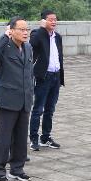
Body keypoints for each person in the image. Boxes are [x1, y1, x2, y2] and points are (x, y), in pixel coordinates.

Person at [0, 17, 35, 181]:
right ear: (11, 30)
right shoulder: (4, 47)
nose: (25, 32)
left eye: (27, 29)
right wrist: (4, 37)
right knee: (4, 137)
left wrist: (31, 93)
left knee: (21, 138)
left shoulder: (28, 47)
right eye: (21, 29)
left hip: (25, 99)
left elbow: (29, 72)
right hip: (8, 99)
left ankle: (17, 168)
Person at [29, 10, 64, 151]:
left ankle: (46, 137)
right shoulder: (37, 34)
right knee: (38, 109)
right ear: (43, 21)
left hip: (56, 76)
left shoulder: (58, 37)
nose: (54, 22)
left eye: (55, 19)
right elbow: (32, 44)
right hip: (43, 77)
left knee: (50, 109)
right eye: (50, 19)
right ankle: (33, 138)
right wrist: (42, 29)